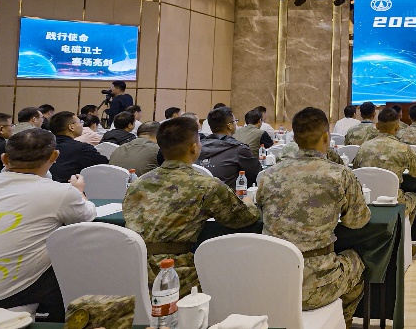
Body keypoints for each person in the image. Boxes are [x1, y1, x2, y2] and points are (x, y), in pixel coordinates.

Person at [257, 107, 370, 325]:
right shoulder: (339, 174)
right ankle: (340, 322)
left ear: (294, 138)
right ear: (326, 137)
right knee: (357, 263)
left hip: (274, 280)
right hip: (319, 283)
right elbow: (358, 221)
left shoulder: (269, 174)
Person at [124, 117, 260, 294]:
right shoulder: (206, 185)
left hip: (134, 270)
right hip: (178, 273)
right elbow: (242, 218)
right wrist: (249, 203)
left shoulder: (138, 184)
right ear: (194, 148)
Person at [0, 129, 96, 321]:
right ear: (54, 156)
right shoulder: (62, 193)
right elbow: (87, 215)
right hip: (7, 296)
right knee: (72, 255)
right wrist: (79, 192)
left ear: (4, 159)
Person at [352, 108, 416, 219]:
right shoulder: (404, 149)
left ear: (377, 126)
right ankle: (403, 228)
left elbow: (356, 171)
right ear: (397, 128)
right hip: (394, 202)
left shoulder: (363, 147)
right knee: (413, 197)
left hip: (365, 200)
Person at [198, 106, 261, 189]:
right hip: (227, 196)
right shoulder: (239, 149)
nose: (236, 124)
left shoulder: (197, 148)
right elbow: (258, 175)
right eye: (235, 121)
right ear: (230, 126)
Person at [48, 111, 107, 182]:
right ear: (71, 127)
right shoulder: (82, 149)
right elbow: (104, 166)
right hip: (69, 186)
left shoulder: (43, 146)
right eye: (80, 122)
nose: (82, 125)